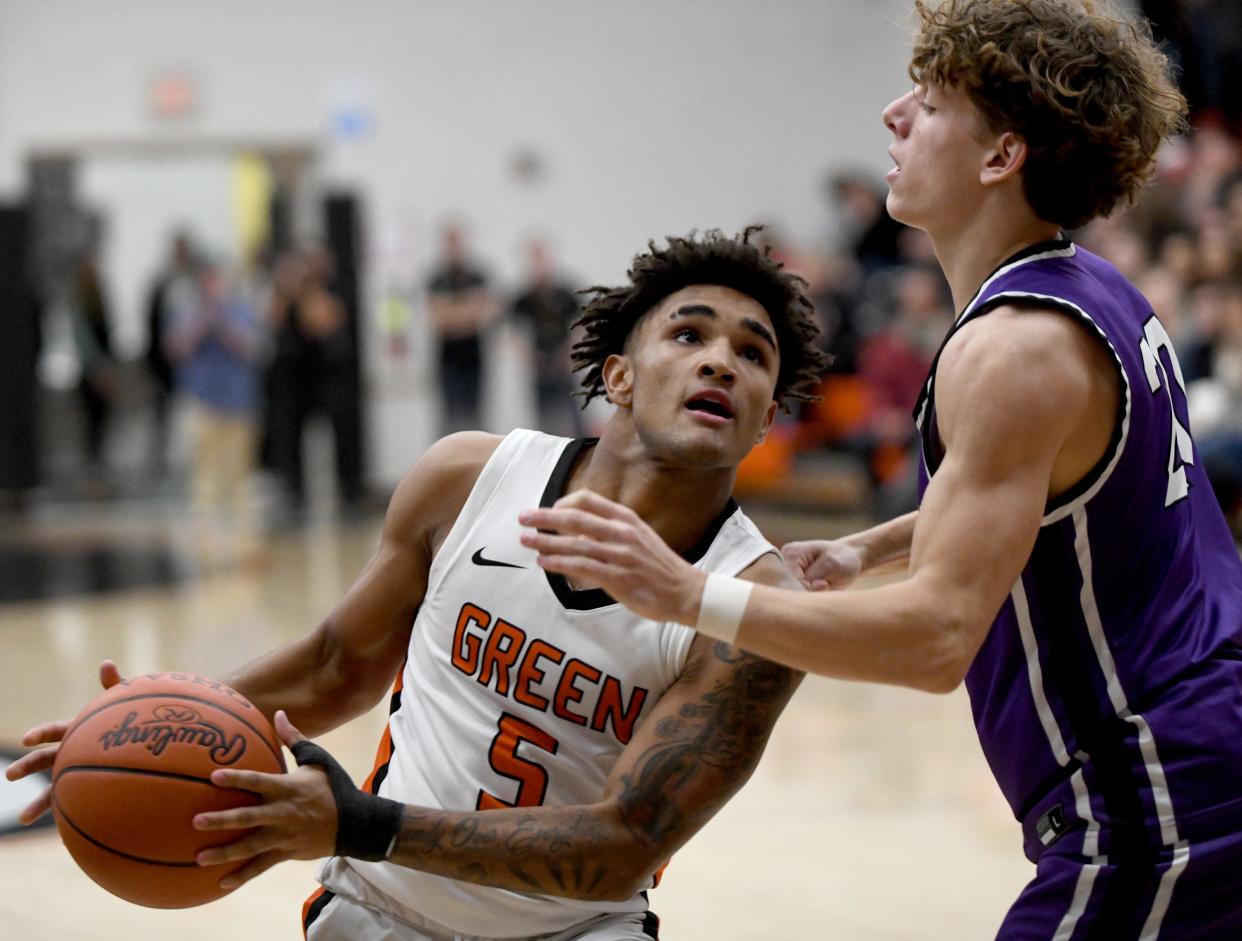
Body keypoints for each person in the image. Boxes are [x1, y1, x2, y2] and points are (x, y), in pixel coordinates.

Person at [517, 3, 1242, 938]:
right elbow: (1063, 499)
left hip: (1157, 801)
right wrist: (873, 549)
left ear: (1000, 157)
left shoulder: (1011, 350)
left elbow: (937, 639)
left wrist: (688, 593)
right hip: (1203, 756)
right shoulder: (1098, 293)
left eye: (931, 104)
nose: (894, 116)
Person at [7, 228, 829, 941]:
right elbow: (338, 665)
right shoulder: (468, 475)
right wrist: (141, 724)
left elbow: (625, 841)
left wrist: (355, 822)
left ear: (765, 419)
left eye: (752, 353)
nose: (721, 359)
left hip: (576, 926)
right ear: (617, 376)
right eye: (689, 335)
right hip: (379, 908)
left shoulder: (753, 604)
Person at [163, 256, 269, 551]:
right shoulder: (188, 312)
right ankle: (206, 537)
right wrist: (202, 323)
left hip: (239, 404)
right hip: (204, 403)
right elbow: (176, 348)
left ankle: (243, 539)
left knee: (239, 474)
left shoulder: (242, 311)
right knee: (205, 474)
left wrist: (222, 324)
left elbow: (254, 348)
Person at [510, 238, 584, 437]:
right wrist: (527, 356)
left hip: (563, 362)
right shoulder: (524, 296)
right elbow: (512, 329)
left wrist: (570, 353)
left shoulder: (565, 293)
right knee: (544, 418)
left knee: (572, 414)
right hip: (540, 363)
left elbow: (581, 324)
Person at [427, 224, 496, 435]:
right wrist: (468, 309)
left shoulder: (478, 275)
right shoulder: (437, 279)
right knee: (450, 416)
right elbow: (438, 319)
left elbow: (487, 312)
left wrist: (453, 309)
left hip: (474, 356)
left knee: (477, 414)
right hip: (448, 358)